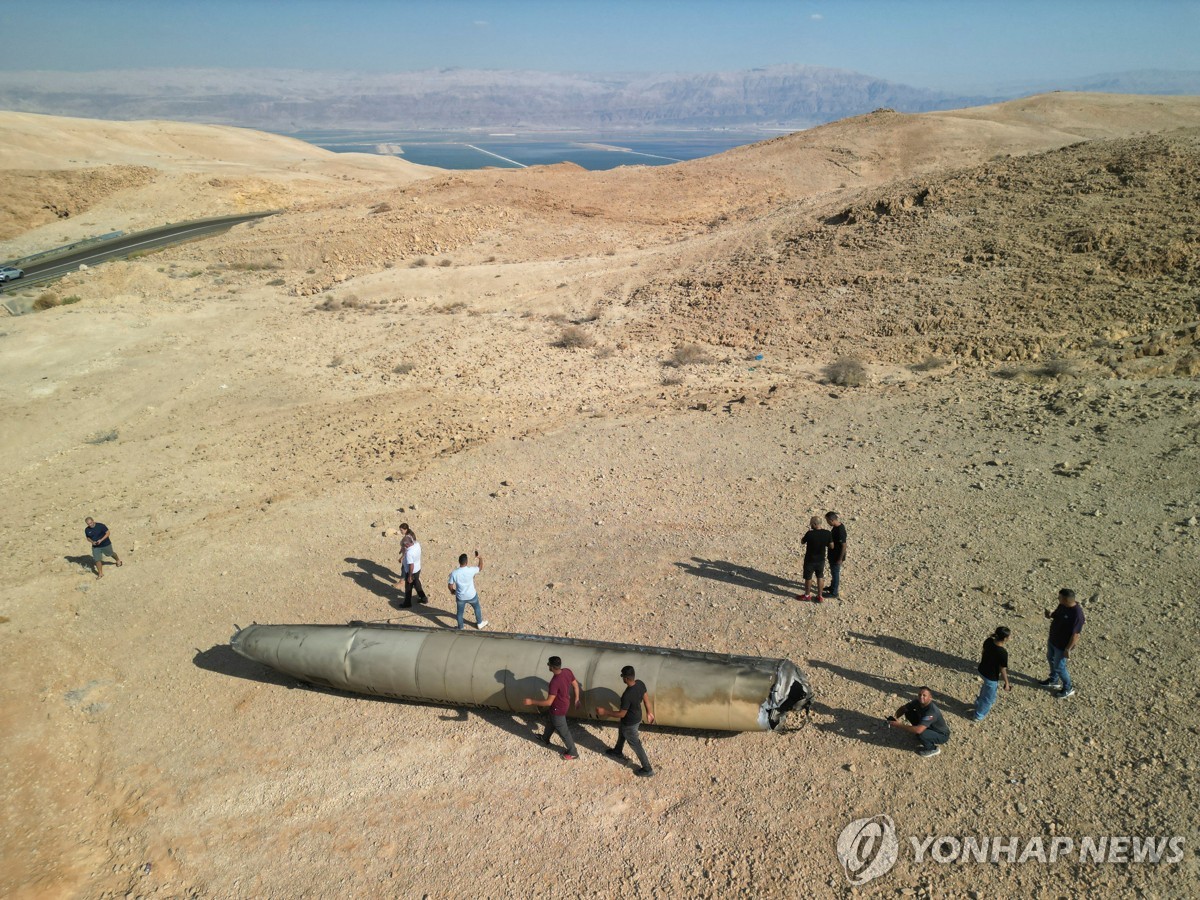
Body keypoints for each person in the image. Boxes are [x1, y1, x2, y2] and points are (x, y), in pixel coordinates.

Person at [597, 665, 655, 777]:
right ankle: (617, 751)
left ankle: (647, 769)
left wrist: (605, 712)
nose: (622, 678)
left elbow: (622, 713)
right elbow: (646, 700)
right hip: (636, 717)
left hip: (630, 722)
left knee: (635, 744)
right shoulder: (640, 683)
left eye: (622, 676)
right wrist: (649, 712)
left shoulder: (627, 695)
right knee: (622, 732)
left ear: (626, 678)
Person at [522, 656, 580, 760]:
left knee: (563, 731)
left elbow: (548, 702)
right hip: (565, 704)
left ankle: (573, 752)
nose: (548, 666)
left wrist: (531, 701)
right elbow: (575, 685)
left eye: (548, 664)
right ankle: (545, 738)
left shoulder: (554, 682)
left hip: (558, 708)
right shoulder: (567, 671)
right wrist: (576, 699)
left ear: (552, 667)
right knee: (551, 721)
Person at [1042, 588, 1084, 699]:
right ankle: (1054, 680)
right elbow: (1056, 616)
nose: (1058, 598)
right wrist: (1049, 615)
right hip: (1053, 640)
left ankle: (1068, 688)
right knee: (1050, 658)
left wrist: (1067, 649)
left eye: (1059, 597)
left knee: (1060, 667)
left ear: (1065, 599)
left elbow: (1076, 635)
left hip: (1062, 646)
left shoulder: (1077, 615)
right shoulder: (1062, 605)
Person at [888, 686, 950, 757]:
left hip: (941, 734)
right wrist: (895, 717)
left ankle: (932, 749)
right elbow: (904, 708)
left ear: (930, 697)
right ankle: (925, 734)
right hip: (928, 726)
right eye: (920, 695)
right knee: (908, 712)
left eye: (924, 695)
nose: (921, 697)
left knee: (921, 733)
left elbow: (919, 730)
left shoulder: (932, 712)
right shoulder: (917, 702)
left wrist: (898, 725)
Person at [971, 627, 1012, 722]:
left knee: (985, 689)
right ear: (1005, 638)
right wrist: (1006, 683)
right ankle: (978, 715)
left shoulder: (988, 641)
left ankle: (978, 703)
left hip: (982, 670)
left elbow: (983, 652)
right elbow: (1002, 669)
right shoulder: (1002, 652)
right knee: (988, 698)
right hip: (991, 677)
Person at [447, 551, 488, 630]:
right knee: (477, 608)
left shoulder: (454, 573)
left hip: (460, 597)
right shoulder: (471, 570)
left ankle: (461, 627)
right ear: (467, 562)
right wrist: (480, 558)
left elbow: (450, 585)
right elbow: (480, 568)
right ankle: (479, 623)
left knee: (459, 613)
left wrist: (452, 591)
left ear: (459, 562)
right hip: (471, 595)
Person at [796, 516, 833, 602]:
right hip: (821, 560)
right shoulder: (827, 533)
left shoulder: (810, 533)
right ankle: (820, 596)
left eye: (811, 523)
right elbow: (831, 546)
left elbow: (802, 542)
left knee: (808, 578)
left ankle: (807, 595)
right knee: (820, 576)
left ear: (815, 524)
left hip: (810, 560)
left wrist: (808, 533)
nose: (810, 525)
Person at [400, 532, 428, 608]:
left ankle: (407, 603)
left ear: (407, 545)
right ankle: (423, 598)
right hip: (418, 568)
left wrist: (409, 576)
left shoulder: (409, 553)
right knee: (417, 583)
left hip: (411, 571)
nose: (403, 547)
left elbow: (411, 565)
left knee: (408, 588)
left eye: (404, 546)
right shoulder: (417, 544)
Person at [825, 511, 848, 599]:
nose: (827, 522)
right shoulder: (837, 527)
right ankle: (832, 587)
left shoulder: (840, 530)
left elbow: (844, 545)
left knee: (835, 573)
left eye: (827, 521)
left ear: (831, 520)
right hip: (833, 555)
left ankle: (834, 592)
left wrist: (840, 559)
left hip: (837, 557)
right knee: (833, 572)